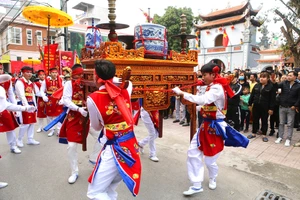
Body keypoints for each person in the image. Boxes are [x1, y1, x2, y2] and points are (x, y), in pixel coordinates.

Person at [172, 62, 248, 196]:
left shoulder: (217, 88)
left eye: (205, 75)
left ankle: (213, 177)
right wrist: (193, 106)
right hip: (204, 126)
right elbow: (207, 106)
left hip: (215, 128)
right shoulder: (211, 87)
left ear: (213, 74)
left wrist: (182, 93)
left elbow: (203, 100)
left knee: (209, 160)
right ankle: (196, 184)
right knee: (192, 152)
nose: (203, 78)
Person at [87, 60, 141, 199]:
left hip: (114, 149)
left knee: (95, 192)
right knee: (110, 188)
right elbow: (128, 83)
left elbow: (96, 126)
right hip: (130, 145)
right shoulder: (125, 90)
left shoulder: (93, 99)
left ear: (95, 75)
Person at [0, 75, 36, 189]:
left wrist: (25, 108)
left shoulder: (3, 88)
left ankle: (14, 144)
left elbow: (6, 104)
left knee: (10, 128)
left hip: (4, 112)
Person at [58, 64, 88, 184]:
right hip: (75, 114)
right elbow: (66, 99)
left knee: (101, 137)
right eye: (77, 75)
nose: (79, 78)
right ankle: (74, 171)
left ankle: (94, 159)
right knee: (71, 145)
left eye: (81, 75)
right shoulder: (69, 84)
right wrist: (78, 109)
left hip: (89, 113)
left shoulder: (89, 81)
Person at [247, 71, 276, 142]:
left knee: (264, 121)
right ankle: (254, 133)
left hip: (265, 107)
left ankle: (264, 134)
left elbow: (273, 99)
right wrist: (250, 104)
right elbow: (252, 96)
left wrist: (271, 108)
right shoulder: (257, 86)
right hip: (256, 106)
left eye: (264, 77)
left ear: (268, 78)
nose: (261, 79)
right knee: (255, 120)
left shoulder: (271, 87)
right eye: (261, 77)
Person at [15, 66, 40, 147]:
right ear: (23, 73)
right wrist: (26, 106)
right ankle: (19, 139)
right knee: (25, 123)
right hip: (23, 105)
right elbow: (22, 96)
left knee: (32, 123)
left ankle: (30, 139)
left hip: (31, 104)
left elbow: (32, 95)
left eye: (30, 72)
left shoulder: (31, 83)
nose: (29, 74)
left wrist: (35, 106)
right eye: (27, 72)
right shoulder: (20, 82)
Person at [275, 71, 300, 147]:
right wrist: (274, 80)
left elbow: (299, 97)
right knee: (281, 123)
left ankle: (288, 139)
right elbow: (276, 86)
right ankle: (280, 137)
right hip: (282, 106)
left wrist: (295, 105)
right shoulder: (284, 83)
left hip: (291, 108)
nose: (288, 77)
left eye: (290, 75)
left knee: (290, 124)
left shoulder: (298, 86)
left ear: (295, 77)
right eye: (288, 75)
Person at [40, 67, 63, 137]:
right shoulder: (46, 80)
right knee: (49, 115)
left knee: (59, 115)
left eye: (56, 72)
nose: (55, 74)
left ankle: (59, 129)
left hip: (58, 99)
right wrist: (43, 96)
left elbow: (63, 90)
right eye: (53, 72)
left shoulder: (60, 80)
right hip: (49, 99)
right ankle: (51, 129)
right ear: (50, 73)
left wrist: (63, 99)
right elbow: (41, 90)